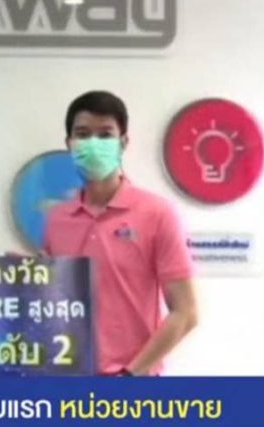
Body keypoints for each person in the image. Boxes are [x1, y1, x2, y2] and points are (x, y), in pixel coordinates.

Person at [43, 91, 198, 376]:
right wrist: (27, 280)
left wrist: (129, 375)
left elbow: (186, 313)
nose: (93, 144)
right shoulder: (57, 220)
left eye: (105, 135)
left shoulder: (157, 213)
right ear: (69, 144)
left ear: (123, 142)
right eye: (83, 134)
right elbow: (57, 306)